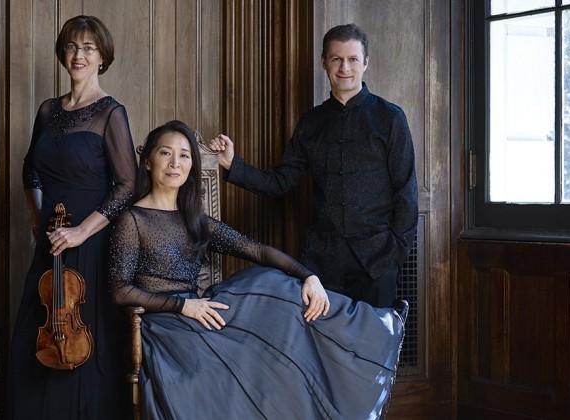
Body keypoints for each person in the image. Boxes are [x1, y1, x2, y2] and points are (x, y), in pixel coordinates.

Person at [110, 120, 406, 419]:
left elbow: (256, 250)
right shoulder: (132, 219)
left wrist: (308, 276)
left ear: (192, 166)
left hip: (201, 314)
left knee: (278, 290)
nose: (175, 163)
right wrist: (183, 306)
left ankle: (377, 328)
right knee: (234, 363)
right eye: (166, 153)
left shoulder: (194, 219)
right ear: (148, 161)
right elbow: (120, 290)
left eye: (184, 155)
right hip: (163, 326)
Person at [208, 23, 418, 308]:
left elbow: (406, 190)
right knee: (322, 347)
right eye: (336, 59)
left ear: (365, 63)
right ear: (324, 62)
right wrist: (233, 164)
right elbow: (280, 182)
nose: (345, 67)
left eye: (353, 59)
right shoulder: (311, 122)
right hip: (322, 263)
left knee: (375, 348)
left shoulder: (390, 117)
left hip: (378, 261)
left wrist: (396, 253)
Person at [9, 15, 137, 419]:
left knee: (84, 331)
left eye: (87, 48)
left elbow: (126, 185)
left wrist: (82, 230)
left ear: (102, 57)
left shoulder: (111, 113)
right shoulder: (49, 110)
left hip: (93, 241)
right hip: (52, 239)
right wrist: (35, 215)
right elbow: (30, 169)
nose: (77, 55)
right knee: (41, 332)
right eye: (70, 47)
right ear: (62, 54)